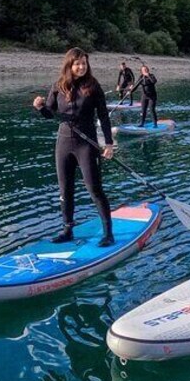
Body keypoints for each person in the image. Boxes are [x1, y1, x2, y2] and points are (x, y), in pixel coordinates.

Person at [33, 48, 115, 247]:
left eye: (84, 63)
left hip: (86, 144)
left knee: (94, 188)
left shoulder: (93, 87)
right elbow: (50, 114)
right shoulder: (58, 86)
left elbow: (104, 116)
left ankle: (108, 233)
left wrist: (109, 144)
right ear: (69, 65)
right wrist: (40, 107)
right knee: (65, 189)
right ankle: (68, 230)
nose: (81, 67)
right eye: (77, 63)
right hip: (63, 143)